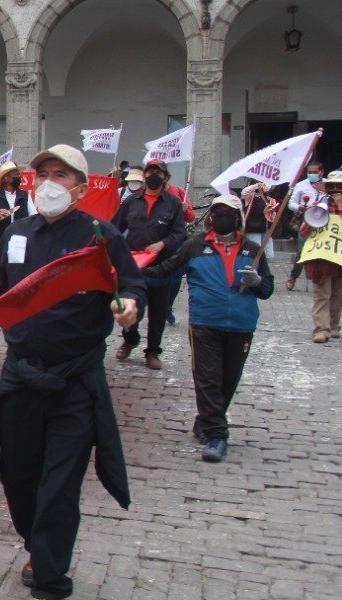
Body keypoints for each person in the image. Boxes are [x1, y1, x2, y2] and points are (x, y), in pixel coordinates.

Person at [0, 144, 144, 600]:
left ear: (81, 184)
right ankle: (39, 548)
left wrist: (130, 306)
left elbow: (131, 286)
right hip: (20, 378)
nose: (50, 182)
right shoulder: (16, 233)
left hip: (75, 383)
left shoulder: (101, 237)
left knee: (59, 486)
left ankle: (51, 586)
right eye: (43, 173)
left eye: (61, 174)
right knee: (20, 476)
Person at [143, 195, 273, 463]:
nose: (222, 216)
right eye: (217, 212)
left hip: (241, 325)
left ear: (237, 218)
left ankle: (206, 420)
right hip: (205, 323)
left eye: (228, 212)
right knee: (208, 379)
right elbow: (164, 272)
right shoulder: (194, 247)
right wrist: (130, 272)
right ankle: (217, 434)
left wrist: (258, 281)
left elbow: (267, 289)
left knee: (228, 380)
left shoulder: (251, 250)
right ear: (211, 217)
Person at [110, 159, 187, 369]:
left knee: (159, 311)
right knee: (130, 306)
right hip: (134, 266)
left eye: (158, 173)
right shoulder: (130, 202)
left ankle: (153, 351)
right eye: (150, 172)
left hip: (162, 267)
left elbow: (180, 233)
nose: (153, 176)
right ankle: (130, 338)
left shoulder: (173, 204)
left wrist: (162, 244)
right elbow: (115, 228)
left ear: (165, 177)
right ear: (143, 176)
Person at [300, 170, 342, 342]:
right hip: (322, 257)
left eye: (339, 187)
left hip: (338, 257)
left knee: (338, 294)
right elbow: (304, 231)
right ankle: (321, 329)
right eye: (332, 187)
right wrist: (311, 221)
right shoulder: (318, 204)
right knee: (322, 294)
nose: (335, 190)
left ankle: (333, 326)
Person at [286, 160, 327, 290]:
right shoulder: (300, 185)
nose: (312, 174)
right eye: (310, 172)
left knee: (322, 252)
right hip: (306, 222)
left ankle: (320, 280)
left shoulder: (328, 185)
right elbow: (291, 204)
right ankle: (293, 277)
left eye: (315, 172)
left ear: (321, 172)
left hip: (324, 222)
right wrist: (301, 207)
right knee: (302, 252)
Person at [240, 181, 277, 257]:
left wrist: (271, 212)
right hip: (253, 229)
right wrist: (256, 186)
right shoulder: (251, 196)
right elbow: (243, 193)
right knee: (255, 253)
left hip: (265, 229)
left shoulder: (268, 198)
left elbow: (273, 214)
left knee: (267, 255)